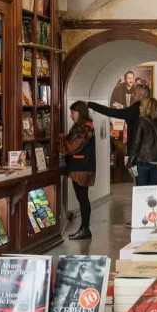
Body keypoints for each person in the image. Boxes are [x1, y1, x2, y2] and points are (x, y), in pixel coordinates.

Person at [57, 101, 97, 240]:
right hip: (79, 168)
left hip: (82, 169)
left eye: (73, 112)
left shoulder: (86, 128)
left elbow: (72, 146)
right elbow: (70, 140)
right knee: (82, 198)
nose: (70, 115)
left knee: (83, 199)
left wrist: (61, 143)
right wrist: (63, 138)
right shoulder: (80, 127)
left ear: (80, 112)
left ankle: (85, 229)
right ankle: (84, 228)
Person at [127, 97, 157, 186]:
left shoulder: (141, 122)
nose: (139, 107)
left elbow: (136, 144)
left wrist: (130, 161)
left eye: (142, 105)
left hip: (144, 161)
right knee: (152, 192)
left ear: (147, 107)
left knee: (142, 191)